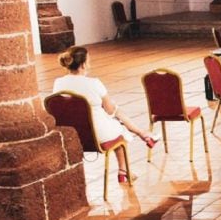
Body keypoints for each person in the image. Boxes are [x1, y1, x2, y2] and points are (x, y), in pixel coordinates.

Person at [53, 46, 158, 182]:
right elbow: (110, 110)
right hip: (97, 136)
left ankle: (138, 144)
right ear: (84, 64)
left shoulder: (58, 83)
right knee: (119, 126)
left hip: (71, 135)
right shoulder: (94, 83)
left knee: (115, 122)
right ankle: (134, 151)